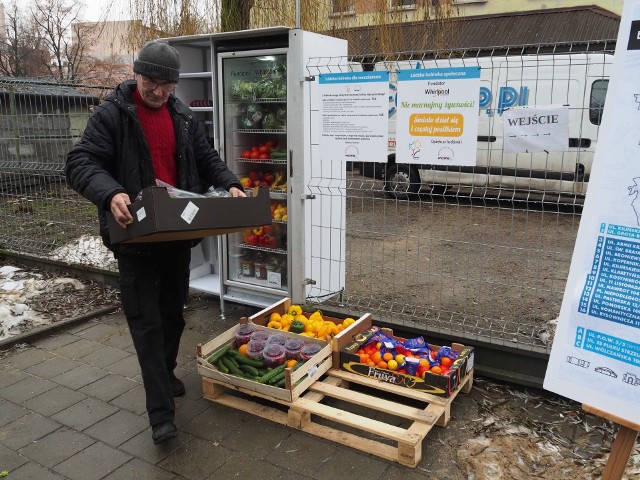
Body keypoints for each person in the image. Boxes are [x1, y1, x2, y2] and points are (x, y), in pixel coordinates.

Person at [65, 40, 246, 445]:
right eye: (151, 82)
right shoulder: (112, 115)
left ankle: (164, 374)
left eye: (166, 84)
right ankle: (160, 413)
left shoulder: (182, 116)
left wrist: (230, 184)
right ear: (136, 75)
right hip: (134, 237)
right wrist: (110, 193)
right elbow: (80, 162)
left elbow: (206, 159)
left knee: (172, 316)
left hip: (176, 235)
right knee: (146, 324)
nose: (158, 91)